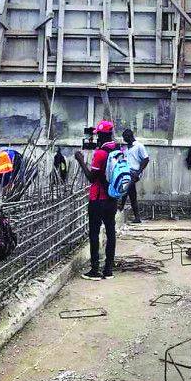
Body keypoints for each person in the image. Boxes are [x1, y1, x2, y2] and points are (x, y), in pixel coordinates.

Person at [74, 120, 119, 281]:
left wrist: (81, 161)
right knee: (111, 232)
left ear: (101, 135)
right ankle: (108, 269)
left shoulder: (100, 153)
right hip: (112, 198)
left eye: (98, 135)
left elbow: (92, 178)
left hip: (98, 198)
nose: (96, 138)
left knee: (94, 232)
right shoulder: (119, 150)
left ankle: (94, 270)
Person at [119, 129, 149, 224]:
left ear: (129, 136)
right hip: (127, 172)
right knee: (131, 193)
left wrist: (139, 171)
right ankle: (137, 218)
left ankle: (121, 206)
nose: (123, 140)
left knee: (126, 187)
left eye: (125, 138)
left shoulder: (139, 146)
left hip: (135, 172)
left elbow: (146, 159)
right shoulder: (126, 148)